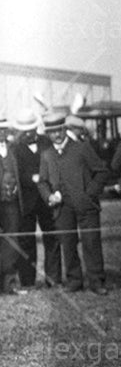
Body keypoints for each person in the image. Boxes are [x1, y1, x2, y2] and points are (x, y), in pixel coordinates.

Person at [36, 113, 110, 294]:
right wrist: (49, 197)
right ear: (47, 134)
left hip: (86, 206)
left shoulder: (82, 148)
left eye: (59, 130)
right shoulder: (46, 155)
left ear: (65, 129)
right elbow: (42, 182)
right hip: (62, 209)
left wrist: (89, 193)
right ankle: (74, 280)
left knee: (91, 243)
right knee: (68, 244)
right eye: (52, 132)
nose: (57, 135)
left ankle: (96, 281)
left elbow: (102, 172)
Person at [10, 110, 58, 288]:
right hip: (25, 202)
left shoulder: (46, 143)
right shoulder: (14, 147)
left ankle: (53, 278)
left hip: (47, 200)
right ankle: (27, 281)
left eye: (31, 128)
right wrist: (31, 178)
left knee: (52, 238)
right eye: (25, 129)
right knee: (26, 241)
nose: (28, 132)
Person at [0, 123, 28, 294]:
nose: (1, 133)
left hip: (11, 203)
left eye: (3, 129)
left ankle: (9, 283)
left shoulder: (14, 149)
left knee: (12, 241)